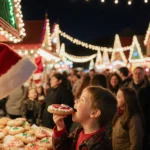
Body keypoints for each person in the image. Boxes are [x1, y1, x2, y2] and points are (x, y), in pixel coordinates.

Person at [52, 86, 117, 150]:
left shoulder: (100, 145)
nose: (75, 101)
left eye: (82, 100)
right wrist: (60, 127)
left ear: (94, 113)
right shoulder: (79, 130)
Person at [127, 67, 150, 149]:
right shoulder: (127, 88)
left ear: (144, 75)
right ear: (132, 75)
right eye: (136, 73)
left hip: (145, 119)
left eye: (140, 73)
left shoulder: (148, 88)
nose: (138, 75)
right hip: (129, 118)